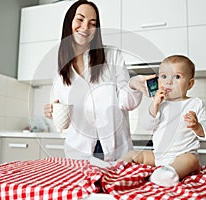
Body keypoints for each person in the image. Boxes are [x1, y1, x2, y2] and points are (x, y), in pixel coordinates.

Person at [44, 0, 155, 161]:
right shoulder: (59, 67)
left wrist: (133, 84)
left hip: (115, 149)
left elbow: (126, 102)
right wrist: (53, 112)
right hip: (78, 152)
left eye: (92, 23)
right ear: (70, 22)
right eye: (80, 19)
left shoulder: (112, 56)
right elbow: (66, 118)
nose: (85, 27)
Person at [118, 55, 206, 187]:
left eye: (177, 77)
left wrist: (197, 126)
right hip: (158, 156)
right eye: (164, 77)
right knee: (132, 154)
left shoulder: (195, 103)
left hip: (182, 154)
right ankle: (116, 169)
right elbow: (146, 125)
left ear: (190, 84)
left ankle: (168, 174)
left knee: (191, 160)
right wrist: (154, 106)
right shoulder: (160, 104)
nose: (169, 82)